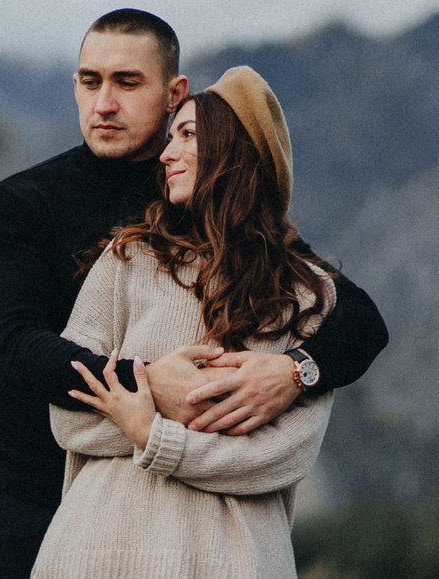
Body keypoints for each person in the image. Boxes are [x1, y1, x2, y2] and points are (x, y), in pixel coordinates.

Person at [0, 10, 387, 579]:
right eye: (90, 81)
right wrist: (148, 381)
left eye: (127, 82)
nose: (104, 103)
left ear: (175, 93)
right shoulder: (20, 204)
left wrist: (294, 371)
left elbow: (357, 318)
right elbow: (18, 347)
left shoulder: (201, 191)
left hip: (199, 519)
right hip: (38, 495)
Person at [36, 69, 328, 579]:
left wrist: (149, 430)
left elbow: (282, 455)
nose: (167, 154)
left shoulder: (305, 293)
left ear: (236, 151)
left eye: (187, 135)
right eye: (170, 137)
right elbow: (69, 416)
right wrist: (158, 392)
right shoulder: (128, 258)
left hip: (231, 562)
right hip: (96, 552)